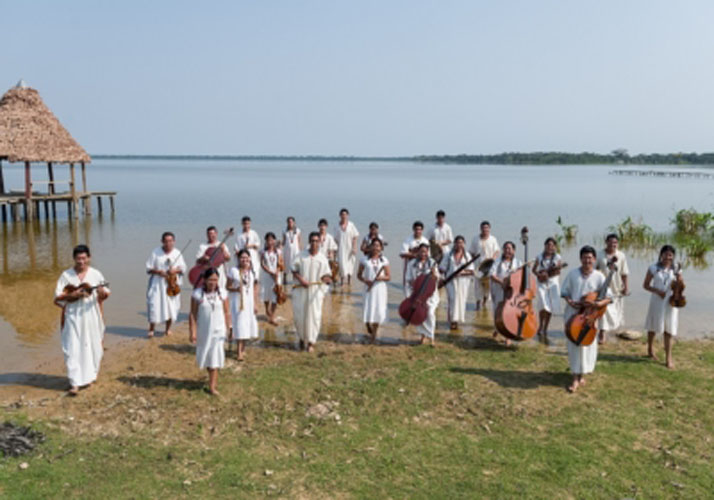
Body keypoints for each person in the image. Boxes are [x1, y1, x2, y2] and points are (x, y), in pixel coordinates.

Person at [53, 245, 110, 396]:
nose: (81, 262)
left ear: (89, 258)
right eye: (78, 259)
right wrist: (75, 295)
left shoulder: (96, 274)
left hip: (91, 316)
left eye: (84, 258)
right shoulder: (66, 275)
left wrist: (101, 292)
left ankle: (90, 376)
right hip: (72, 317)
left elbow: (104, 295)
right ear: (74, 259)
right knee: (72, 348)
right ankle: (74, 382)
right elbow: (58, 297)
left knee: (92, 345)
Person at [561, 246, 612, 393]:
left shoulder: (599, 276)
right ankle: (575, 377)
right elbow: (564, 292)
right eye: (584, 257)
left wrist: (596, 304)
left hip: (589, 317)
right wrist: (570, 301)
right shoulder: (572, 274)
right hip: (573, 314)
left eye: (590, 258)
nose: (587, 260)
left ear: (594, 259)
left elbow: (609, 298)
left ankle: (581, 373)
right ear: (580, 259)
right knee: (574, 345)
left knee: (586, 345)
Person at [189, 268, 230, 395]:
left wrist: (230, 328)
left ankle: (212, 386)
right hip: (204, 331)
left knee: (215, 357)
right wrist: (192, 332)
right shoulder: (197, 294)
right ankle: (211, 377)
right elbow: (193, 314)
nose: (213, 282)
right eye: (211, 279)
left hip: (219, 330)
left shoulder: (222, 293)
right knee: (206, 356)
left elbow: (227, 312)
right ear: (205, 280)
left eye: (216, 280)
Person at [292, 231, 333, 352]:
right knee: (300, 316)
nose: (314, 243)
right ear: (309, 242)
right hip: (301, 291)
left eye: (317, 241)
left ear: (320, 242)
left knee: (314, 316)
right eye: (312, 241)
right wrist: (301, 280)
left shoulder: (322, 259)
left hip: (315, 293)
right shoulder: (301, 255)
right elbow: (294, 270)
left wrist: (327, 279)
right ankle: (301, 337)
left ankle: (311, 342)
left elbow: (327, 276)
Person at [644, 245, 683, 369]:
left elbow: (681, 285)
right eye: (665, 254)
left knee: (669, 329)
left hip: (671, 301)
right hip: (657, 300)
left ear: (673, 256)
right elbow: (645, 285)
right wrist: (657, 291)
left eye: (670, 255)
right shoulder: (653, 268)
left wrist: (679, 278)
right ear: (661, 255)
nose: (668, 257)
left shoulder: (676, 269)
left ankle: (668, 358)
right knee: (653, 325)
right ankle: (650, 348)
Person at [145, 231, 186, 338]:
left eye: (171, 241)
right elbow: (148, 269)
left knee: (171, 307)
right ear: (162, 241)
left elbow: (183, 268)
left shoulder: (177, 253)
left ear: (174, 241)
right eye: (166, 241)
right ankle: (151, 329)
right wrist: (159, 272)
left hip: (172, 284)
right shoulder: (155, 252)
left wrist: (175, 270)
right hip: (157, 284)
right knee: (154, 305)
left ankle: (167, 329)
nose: (168, 243)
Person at [596, 234, 629, 344]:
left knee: (617, 311)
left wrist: (626, 287)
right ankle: (602, 333)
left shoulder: (621, 255)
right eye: (610, 242)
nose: (613, 245)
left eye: (615, 243)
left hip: (617, 287)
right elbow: (594, 269)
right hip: (604, 288)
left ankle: (615, 330)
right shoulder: (600, 255)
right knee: (604, 311)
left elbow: (624, 273)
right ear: (606, 242)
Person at [405, 244, 441, 345]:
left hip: (430, 294)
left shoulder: (432, 263)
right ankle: (422, 336)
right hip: (417, 293)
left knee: (430, 313)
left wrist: (434, 274)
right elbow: (408, 279)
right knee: (420, 314)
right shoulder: (412, 263)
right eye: (421, 251)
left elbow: (437, 278)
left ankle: (431, 337)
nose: (423, 254)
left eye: (425, 252)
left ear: (428, 252)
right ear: (418, 252)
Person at [227, 250, 259, 362]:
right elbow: (228, 286)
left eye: (246, 258)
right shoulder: (233, 271)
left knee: (246, 326)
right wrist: (235, 289)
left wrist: (255, 304)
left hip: (249, 303)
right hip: (238, 303)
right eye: (242, 258)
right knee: (239, 325)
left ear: (250, 259)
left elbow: (255, 289)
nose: (244, 260)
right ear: (238, 259)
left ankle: (243, 348)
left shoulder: (252, 273)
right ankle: (239, 352)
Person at [357, 238, 391, 343]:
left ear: (381, 248)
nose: (376, 248)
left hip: (380, 289)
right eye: (374, 245)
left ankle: (373, 337)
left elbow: (388, 276)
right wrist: (365, 280)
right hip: (368, 288)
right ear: (370, 247)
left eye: (378, 246)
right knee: (368, 308)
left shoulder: (384, 260)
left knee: (378, 310)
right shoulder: (364, 260)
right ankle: (367, 324)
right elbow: (358, 275)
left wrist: (381, 278)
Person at [489, 241, 521, 346]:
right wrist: (501, 282)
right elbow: (492, 275)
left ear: (514, 250)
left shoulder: (518, 262)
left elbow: (522, 276)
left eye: (510, 248)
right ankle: (498, 329)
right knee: (498, 311)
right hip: (499, 289)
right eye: (506, 248)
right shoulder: (498, 261)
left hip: (512, 291)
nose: (507, 251)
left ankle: (508, 336)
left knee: (509, 313)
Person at [439, 235, 474, 330]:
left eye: (461, 243)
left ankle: (457, 320)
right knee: (452, 300)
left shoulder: (467, 256)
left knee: (461, 301)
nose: (459, 245)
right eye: (457, 242)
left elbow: (471, 271)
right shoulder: (448, 254)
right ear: (454, 244)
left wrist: (462, 272)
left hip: (463, 282)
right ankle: (451, 321)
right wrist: (442, 279)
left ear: (464, 244)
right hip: (450, 281)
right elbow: (442, 268)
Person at [533, 237, 563, 343]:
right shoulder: (539, 256)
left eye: (552, 245)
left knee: (550, 305)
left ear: (554, 247)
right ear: (544, 245)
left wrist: (549, 275)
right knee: (542, 304)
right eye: (548, 245)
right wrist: (539, 275)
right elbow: (534, 270)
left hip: (553, 283)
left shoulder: (557, 257)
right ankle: (540, 324)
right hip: (541, 283)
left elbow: (558, 271)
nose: (550, 247)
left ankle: (545, 327)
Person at [470, 221, 500, 311]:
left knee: (488, 286)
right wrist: (474, 261)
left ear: (489, 229)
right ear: (480, 229)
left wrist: (492, 259)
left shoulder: (493, 239)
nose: (485, 230)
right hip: (479, 267)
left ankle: (484, 302)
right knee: (478, 285)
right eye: (483, 228)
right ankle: (478, 303)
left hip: (489, 266)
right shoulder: (476, 239)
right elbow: (471, 252)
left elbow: (497, 251)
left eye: (487, 228)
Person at [195, 226, 231, 290]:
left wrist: (223, 250)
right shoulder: (202, 246)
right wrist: (204, 258)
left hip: (220, 272)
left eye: (212, 233)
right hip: (207, 272)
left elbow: (228, 258)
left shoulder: (221, 244)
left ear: (216, 234)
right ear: (207, 235)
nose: (211, 235)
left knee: (221, 290)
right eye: (209, 234)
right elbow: (198, 261)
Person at [260, 232, 283, 325]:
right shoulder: (263, 252)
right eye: (268, 240)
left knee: (276, 294)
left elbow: (281, 262)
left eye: (272, 240)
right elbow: (262, 264)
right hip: (266, 276)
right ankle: (267, 309)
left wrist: (276, 272)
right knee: (266, 294)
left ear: (274, 241)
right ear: (266, 241)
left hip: (276, 276)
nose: (270, 242)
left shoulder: (278, 251)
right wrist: (270, 272)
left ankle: (272, 316)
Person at [399, 221, 429, 294]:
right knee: (408, 287)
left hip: (422, 267)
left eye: (420, 229)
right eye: (416, 229)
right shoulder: (408, 240)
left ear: (422, 230)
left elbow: (428, 255)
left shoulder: (425, 241)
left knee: (422, 288)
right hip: (410, 266)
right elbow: (402, 254)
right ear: (413, 229)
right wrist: (415, 255)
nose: (418, 231)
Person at [333, 208, 360, 286]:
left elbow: (355, 236)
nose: (344, 216)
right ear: (340, 215)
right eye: (342, 214)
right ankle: (342, 281)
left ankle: (349, 281)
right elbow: (335, 239)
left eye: (345, 214)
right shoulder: (336, 226)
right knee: (341, 265)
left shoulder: (351, 225)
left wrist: (354, 247)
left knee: (350, 264)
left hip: (350, 248)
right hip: (341, 249)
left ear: (348, 215)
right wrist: (335, 250)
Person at [282, 216, 302, 283]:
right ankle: (284, 279)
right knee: (286, 264)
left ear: (294, 222)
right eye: (289, 222)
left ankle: (295, 279)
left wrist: (300, 251)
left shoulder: (298, 230)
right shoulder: (284, 231)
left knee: (295, 264)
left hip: (295, 250)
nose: (290, 223)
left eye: (291, 222)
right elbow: (284, 241)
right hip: (287, 250)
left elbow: (299, 241)